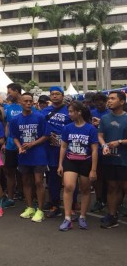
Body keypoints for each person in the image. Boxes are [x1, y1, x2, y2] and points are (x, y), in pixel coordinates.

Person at [57, 101, 98, 231]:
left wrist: (93, 169)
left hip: (86, 162)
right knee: (68, 187)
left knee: (85, 189)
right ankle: (67, 218)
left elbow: (95, 150)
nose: (69, 114)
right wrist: (60, 164)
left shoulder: (90, 128)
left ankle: (82, 216)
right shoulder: (67, 128)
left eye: (71, 111)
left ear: (78, 112)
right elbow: (63, 147)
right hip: (71, 160)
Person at [10, 93, 48, 223]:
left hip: (38, 154)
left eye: (30, 101)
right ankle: (30, 207)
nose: (28, 103)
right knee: (25, 181)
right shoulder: (15, 120)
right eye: (25, 101)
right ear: (20, 102)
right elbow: (14, 136)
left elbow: (45, 135)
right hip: (24, 155)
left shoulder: (40, 117)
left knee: (38, 182)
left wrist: (32, 144)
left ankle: (40, 209)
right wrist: (19, 146)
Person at [98, 91, 127, 229]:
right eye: (108, 98)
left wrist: (120, 142)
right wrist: (104, 145)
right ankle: (112, 215)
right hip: (109, 160)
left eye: (112, 98)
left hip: (124, 160)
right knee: (112, 187)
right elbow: (100, 135)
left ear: (122, 102)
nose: (109, 101)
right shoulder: (104, 118)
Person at [42, 86, 72, 218]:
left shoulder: (69, 110)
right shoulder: (45, 111)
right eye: (52, 94)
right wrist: (48, 136)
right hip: (50, 149)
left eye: (57, 94)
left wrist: (64, 139)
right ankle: (54, 204)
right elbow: (41, 127)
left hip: (67, 149)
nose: (55, 96)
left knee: (69, 179)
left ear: (63, 95)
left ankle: (71, 205)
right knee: (52, 177)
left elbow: (76, 126)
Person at [2, 83, 25, 208]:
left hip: (25, 145)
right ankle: (10, 198)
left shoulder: (28, 105)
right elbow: (6, 124)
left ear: (17, 91)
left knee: (25, 172)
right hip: (11, 145)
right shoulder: (9, 107)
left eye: (10, 91)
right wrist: (5, 142)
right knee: (10, 172)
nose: (8, 94)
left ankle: (28, 196)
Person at [90, 92, 109, 212]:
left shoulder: (110, 113)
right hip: (95, 149)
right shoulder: (91, 113)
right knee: (97, 177)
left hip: (108, 149)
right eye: (97, 104)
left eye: (101, 104)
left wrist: (101, 124)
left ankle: (109, 200)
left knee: (110, 178)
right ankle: (99, 199)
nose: (99, 106)